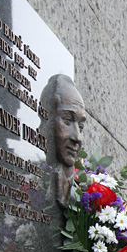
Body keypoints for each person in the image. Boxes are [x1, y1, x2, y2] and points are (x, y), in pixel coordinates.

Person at [39, 74, 86, 206]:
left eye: (81, 127)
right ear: (45, 121)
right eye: (67, 120)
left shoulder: (77, 187)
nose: (77, 137)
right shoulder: (36, 181)